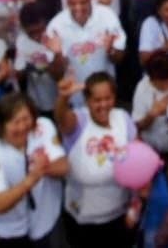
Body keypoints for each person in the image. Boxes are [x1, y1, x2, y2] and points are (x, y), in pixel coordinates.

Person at [54, 72, 140, 240]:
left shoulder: (123, 117)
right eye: (97, 100)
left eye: (108, 98)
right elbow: (61, 118)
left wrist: (135, 205)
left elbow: (138, 161)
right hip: (84, 220)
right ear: (87, 101)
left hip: (119, 214)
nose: (103, 105)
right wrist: (63, 99)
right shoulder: (78, 120)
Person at [0, 92, 69, 248]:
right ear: (1, 125)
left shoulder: (43, 126)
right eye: (15, 122)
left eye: (26, 119)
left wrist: (45, 168)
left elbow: (64, 167)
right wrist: (31, 180)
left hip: (49, 218)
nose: (22, 127)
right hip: (14, 230)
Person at [45, 0, 127, 92]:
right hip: (75, 95)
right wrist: (57, 55)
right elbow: (55, 76)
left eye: (83, 2)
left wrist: (111, 50)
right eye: (73, 3)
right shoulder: (55, 27)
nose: (78, 8)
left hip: (104, 95)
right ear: (67, 1)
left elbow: (119, 59)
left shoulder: (108, 16)